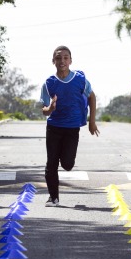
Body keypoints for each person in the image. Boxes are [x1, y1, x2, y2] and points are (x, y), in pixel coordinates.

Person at [40, 45, 100, 207]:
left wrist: (92, 121)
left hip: (72, 128)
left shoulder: (80, 80)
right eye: (58, 58)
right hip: (54, 127)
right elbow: (44, 110)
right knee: (51, 163)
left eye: (66, 58)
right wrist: (51, 108)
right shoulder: (49, 83)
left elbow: (92, 97)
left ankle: (64, 159)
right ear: (53, 61)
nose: (62, 61)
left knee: (67, 164)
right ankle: (53, 197)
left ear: (71, 60)